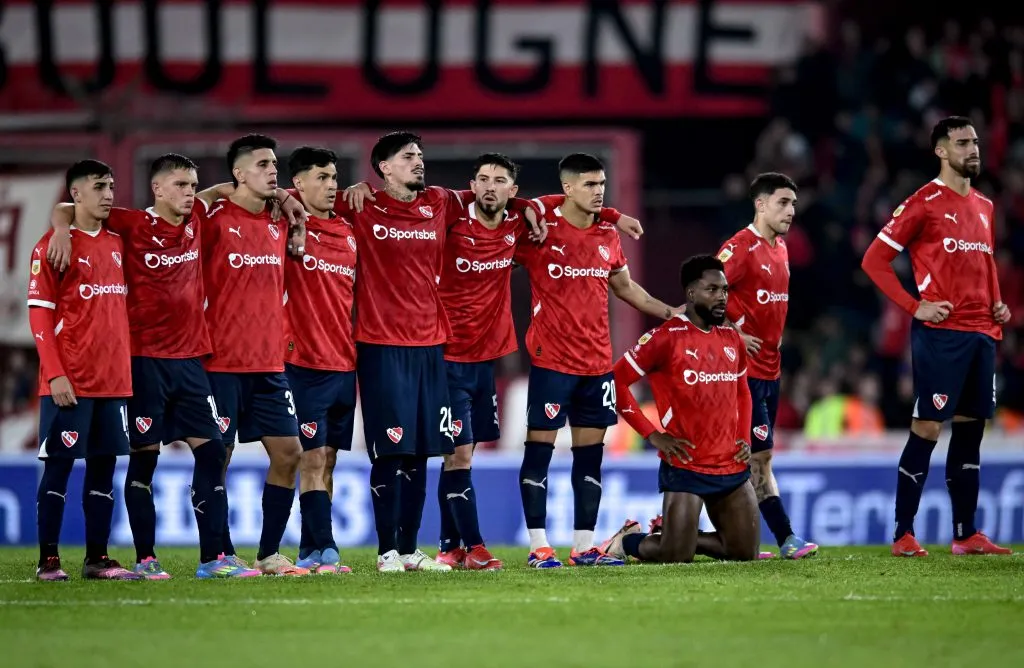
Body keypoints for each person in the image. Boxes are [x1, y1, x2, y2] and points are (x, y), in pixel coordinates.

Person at [45, 154, 263, 579]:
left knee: (212, 451)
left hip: (191, 361)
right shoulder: (130, 223)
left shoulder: (196, 216)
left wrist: (287, 199)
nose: (189, 193)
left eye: (192, 185)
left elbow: (221, 190)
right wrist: (60, 230)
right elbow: (70, 207)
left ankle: (214, 558)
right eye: (180, 185)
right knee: (145, 459)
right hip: (144, 362)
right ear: (157, 189)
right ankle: (146, 558)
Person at [513, 153, 679, 568]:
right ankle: (538, 546)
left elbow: (627, 289)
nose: (599, 191)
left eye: (602, 183)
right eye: (589, 184)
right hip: (552, 362)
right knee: (539, 454)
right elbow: (510, 211)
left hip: (597, 364)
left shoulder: (607, 235)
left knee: (590, 458)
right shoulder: (540, 230)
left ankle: (584, 547)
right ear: (567, 188)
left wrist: (670, 313)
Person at [861, 116, 1012, 557]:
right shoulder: (923, 202)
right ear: (941, 151)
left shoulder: (984, 205)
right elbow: (874, 260)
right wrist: (915, 306)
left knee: (970, 431)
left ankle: (966, 534)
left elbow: (985, 262)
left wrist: (997, 304)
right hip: (941, 334)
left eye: (975, 141)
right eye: (962, 143)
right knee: (928, 427)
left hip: (981, 333)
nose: (973, 149)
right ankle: (903, 533)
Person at [600, 255, 758, 564]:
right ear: (691, 293)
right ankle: (627, 541)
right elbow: (615, 382)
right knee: (675, 556)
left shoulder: (732, 339)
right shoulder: (665, 338)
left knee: (744, 554)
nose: (722, 297)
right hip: (686, 464)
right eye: (712, 289)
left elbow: (742, 391)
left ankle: (675, 533)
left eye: (725, 290)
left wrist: (744, 437)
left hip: (730, 463)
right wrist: (653, 435)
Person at [200, 134, 310, 575]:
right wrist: (224, 191)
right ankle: (217, 555)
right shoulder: (212, 218)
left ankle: (268, 554)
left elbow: (312, 196)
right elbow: (180, 207)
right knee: (217, 457)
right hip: (220, 362)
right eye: (262, 164)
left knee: (290, 453)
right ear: (238, 173)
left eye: (275, 165)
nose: (273, 171)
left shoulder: (279, 219)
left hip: (268, 364)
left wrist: (285, 199)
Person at [28, 160, 139, 580]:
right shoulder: (53, 246)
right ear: (76, 194)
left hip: (113, 381)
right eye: (99, 186)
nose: (109, 194)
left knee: (103, 471)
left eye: (111, 185)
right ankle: (48, 560)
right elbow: (40, 314)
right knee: (58, 467)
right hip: (70, 381)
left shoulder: (118, 242)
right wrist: (55, 373)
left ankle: (97, 558)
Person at [716, 172, 818, 560]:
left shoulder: (781, 248)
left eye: (793, 204)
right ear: (760, 204)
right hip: (741, 373)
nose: (791, 211)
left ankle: (739, 539)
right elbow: (702, 297)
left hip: (770, 371)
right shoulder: (739, 248)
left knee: (752, 457)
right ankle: (786, 537)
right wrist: (735, 334)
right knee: (759, 457)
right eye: (783, 203)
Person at [282, 147, 357, 574]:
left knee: (328, 459)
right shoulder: (285, 226)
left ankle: (310, 550)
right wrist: (283, 199)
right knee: (310, 458)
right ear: (299, 184)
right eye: (322, 177)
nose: (332, 185)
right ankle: (326, 548)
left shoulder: (347, 230)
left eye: (334, 177)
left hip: (343, 362)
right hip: (303, 362)